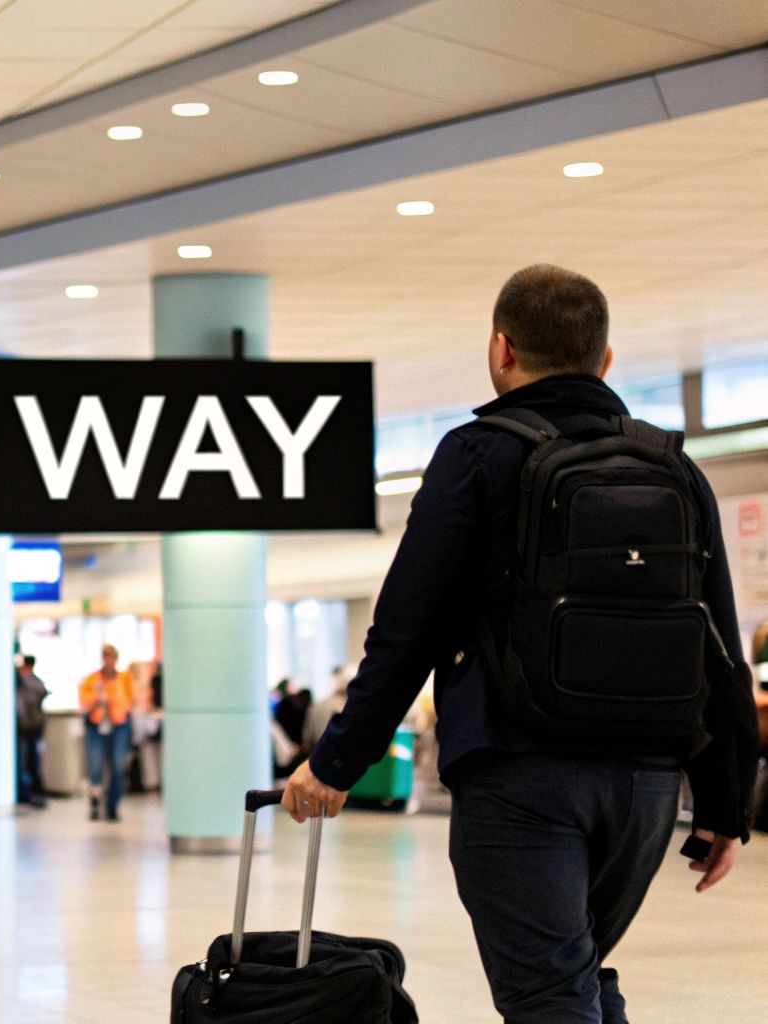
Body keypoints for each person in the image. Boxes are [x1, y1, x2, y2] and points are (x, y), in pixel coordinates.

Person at [284, 265, 758, 1024]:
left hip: (520, 772)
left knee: (551, 997)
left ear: (500, 349)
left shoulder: (475, 455)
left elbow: (408, 628)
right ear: (605, 360)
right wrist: (724, 799)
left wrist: (338, 758)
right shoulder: (675, 467)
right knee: (574, 981)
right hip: (644, 784)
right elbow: (717, 644)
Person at [78, 644, 135, 822]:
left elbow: (129, 701)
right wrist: (97, 698)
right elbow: (84, 704)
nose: (109, 661)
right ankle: (95, 803)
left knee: (118, 766)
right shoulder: (92, 680)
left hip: (119, 726)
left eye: (112, 657)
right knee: (96, 767)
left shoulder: (124, 679)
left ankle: (113, 806)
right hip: (97, 726)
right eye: (106, 657)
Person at [15, 655, 49, 808]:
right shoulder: (36, 683)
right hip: (30, 728)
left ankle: (31, 793)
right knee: (29, 761)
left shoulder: (28, 683)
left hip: (28, 728)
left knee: (29, 762)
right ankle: (30, 793)